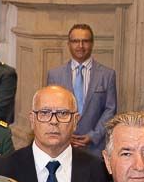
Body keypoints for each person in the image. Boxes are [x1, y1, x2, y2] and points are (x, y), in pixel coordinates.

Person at [45, 24, 117, 153]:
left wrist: (93, 135)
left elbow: (110, 110)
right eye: (75, 41)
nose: (80, 46)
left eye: (85, 41)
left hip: (95, 148)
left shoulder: (107, 75)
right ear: (69, 44)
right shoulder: (55, 75)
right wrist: (64, 135)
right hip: (63, 146)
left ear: (92, 43)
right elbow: (50, 110)